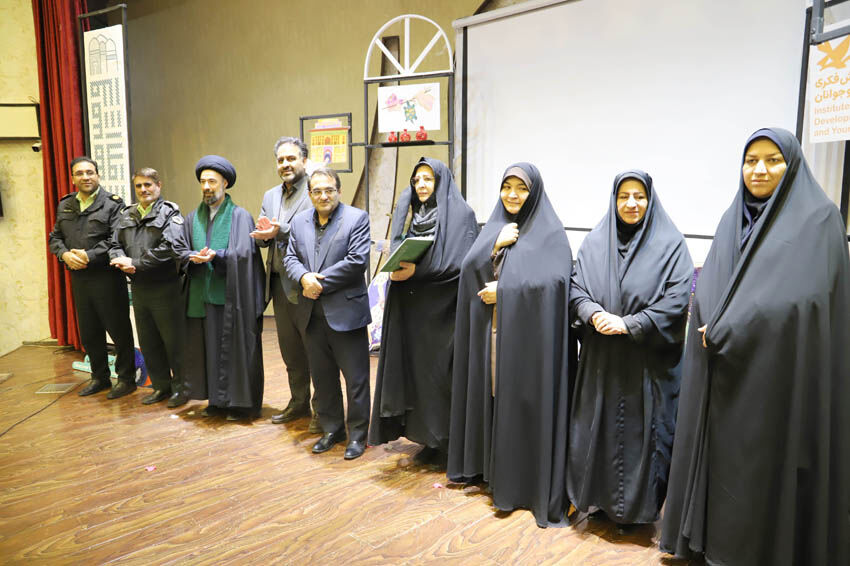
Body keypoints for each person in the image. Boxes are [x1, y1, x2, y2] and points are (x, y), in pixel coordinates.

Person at [660, 128, 850, 565]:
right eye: (751, 161)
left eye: (772, 160)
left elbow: (805, 301)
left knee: (764, 473)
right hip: (722, 373)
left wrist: (733, 325)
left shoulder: (819, 221)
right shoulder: (733, 218)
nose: (759, 170)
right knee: (724, 468)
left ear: (792, 165)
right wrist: (713, 321)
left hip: (778, 376)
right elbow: (710, 284)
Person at [447, 162, 574, 528]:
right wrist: (494, 244)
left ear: (534, 192)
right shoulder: (495, 226)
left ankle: (519, 482)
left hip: (528, 343)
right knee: (492, 398)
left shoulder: (551, 233)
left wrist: (504, 291)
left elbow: (555, 283)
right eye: (507, 187)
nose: (513, 195)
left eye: (521, 188)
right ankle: (490, 472)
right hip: (492, 334)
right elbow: (469, 270)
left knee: (519, 403)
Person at [566, 170, 693, 525]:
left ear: (650, 200)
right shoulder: (595, 242)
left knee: (643, 441)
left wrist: (630, 323)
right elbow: (576, 288)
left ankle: (638, 513)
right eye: (624, 196)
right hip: (602, 363)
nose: (631, 203)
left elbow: (677, 299)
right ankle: (599, 503)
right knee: (599, 433)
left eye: (639, 196)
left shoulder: (671, 245)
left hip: (646, 366)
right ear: (614, 200)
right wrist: (593, 314)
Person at [368, 158, 479, 465]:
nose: (421, 185)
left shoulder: (462, 215)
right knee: (417, 378)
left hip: (445, 312)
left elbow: (461, 263)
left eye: (428, 179)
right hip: (414, 310)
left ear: (441, 181)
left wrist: (417, 270)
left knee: (441, 378)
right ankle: (426, 440)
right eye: (416, 180)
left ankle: (447, 444)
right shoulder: (413, 215)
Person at [283, 167, 371, 460]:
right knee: (322, 378)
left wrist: (316, 282)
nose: (323, 196)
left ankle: (357, 435)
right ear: (309, 194)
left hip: (346, 313)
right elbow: (290, 257)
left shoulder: (356, 218)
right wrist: (303, 277)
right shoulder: (299, 222)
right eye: (317, 191)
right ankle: (333, 430)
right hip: (311, 314)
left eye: (329, 190)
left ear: (339, 191)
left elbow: (357, 261)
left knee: (356, 380)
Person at [181, 155, 266, 420]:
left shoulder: (240, 217)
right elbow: (180, 249)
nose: (207, 187)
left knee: (234, 349)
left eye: (212, 181)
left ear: (225, 183)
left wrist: (217, 256)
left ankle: (239, 405)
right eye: (203, 182)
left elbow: (244, 255)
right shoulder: (192, 218)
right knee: (208, 351)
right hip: (202, 297)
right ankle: (216, 401)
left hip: (232, 297)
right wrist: (190, 257)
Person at [48, 156, 137, 399]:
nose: (85, 177)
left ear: (98, 175)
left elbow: (116, 239)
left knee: (118, 330)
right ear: (72, 178)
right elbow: (55, 237)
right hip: (79, 278)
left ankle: (126, 379)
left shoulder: (113, 204)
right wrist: (64, 254)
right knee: (89, 331)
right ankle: (100, 377)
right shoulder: (65, 204)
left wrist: (89, 255)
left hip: (107, 277)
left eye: (90, 172)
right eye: (80, 173)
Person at [250, 137, 318, 431]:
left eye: (291, 158)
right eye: (281, 160)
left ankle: (322, 409)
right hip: (278, 283)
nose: (285, 164)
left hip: (307, 283)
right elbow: (264, 233)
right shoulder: (270, 196)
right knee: (290, 350)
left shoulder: (315, 189)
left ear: (304, 160)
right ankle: (298, 402)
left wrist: (282, 230)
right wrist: (263, 234)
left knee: (315, 350)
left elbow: (315, 230)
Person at [109, 168, 188, 407]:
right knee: (149, 341)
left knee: (174, 342)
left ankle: (182, 389)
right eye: (139, 186)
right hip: (139, 288)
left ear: (158, 185)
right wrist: (119, 259)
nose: (143, 190)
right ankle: (161, 386)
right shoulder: (127, 214)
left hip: (165, 287)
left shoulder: (170, 212)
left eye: (148, 185)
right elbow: (114, 244)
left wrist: (136, 263)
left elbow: (170, 247)